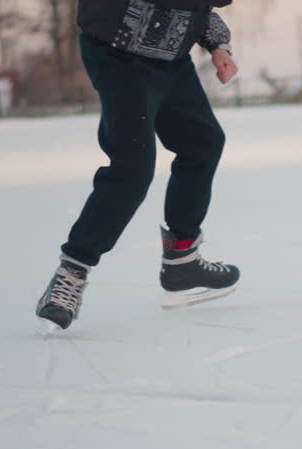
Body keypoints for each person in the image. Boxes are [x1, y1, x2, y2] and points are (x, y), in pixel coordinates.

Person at [35, 0, 242, 331]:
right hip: (119, 56)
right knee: (133, 166)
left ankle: (182, 260)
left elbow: (201, 9)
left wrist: (218, 44)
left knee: (202, 143)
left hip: (171, 60)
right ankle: (72, 272)